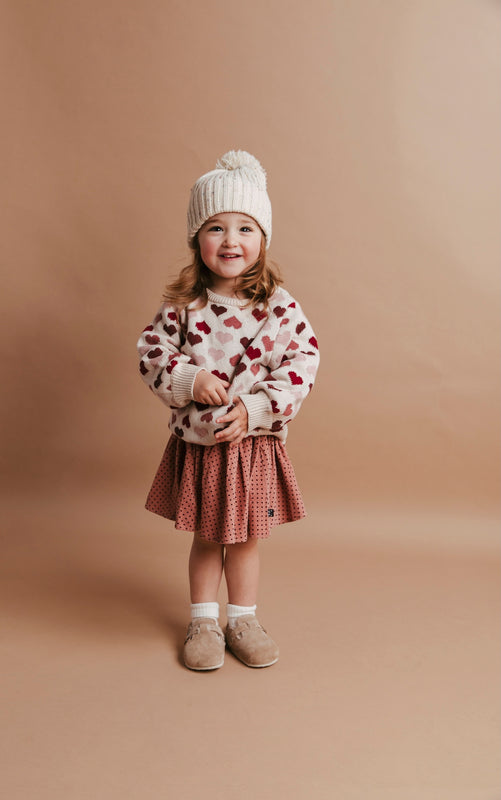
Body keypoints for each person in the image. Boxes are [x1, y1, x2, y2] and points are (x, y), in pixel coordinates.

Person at [137, 150, 319, 671]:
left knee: (244, 542)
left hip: (250, 446)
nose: (231, 241)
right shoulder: (184, 306)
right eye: (216, 228)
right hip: (201, 445)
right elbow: (151, 352)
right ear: (197, 238)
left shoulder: (278, 307)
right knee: (206, 538)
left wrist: (259, 407)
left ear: (263, 238)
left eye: (245, 228)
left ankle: (242, 619)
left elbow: (304, 361)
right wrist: (189, 378)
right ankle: (202, 621)